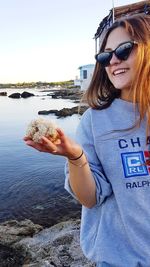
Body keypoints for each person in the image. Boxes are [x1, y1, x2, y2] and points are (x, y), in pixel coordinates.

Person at [24, 13, 150, 267]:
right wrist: (75, 156)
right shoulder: (95, 121)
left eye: (124, 50)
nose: (113, 60)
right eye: (105, 56)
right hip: (121, 259)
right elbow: (90, 198)